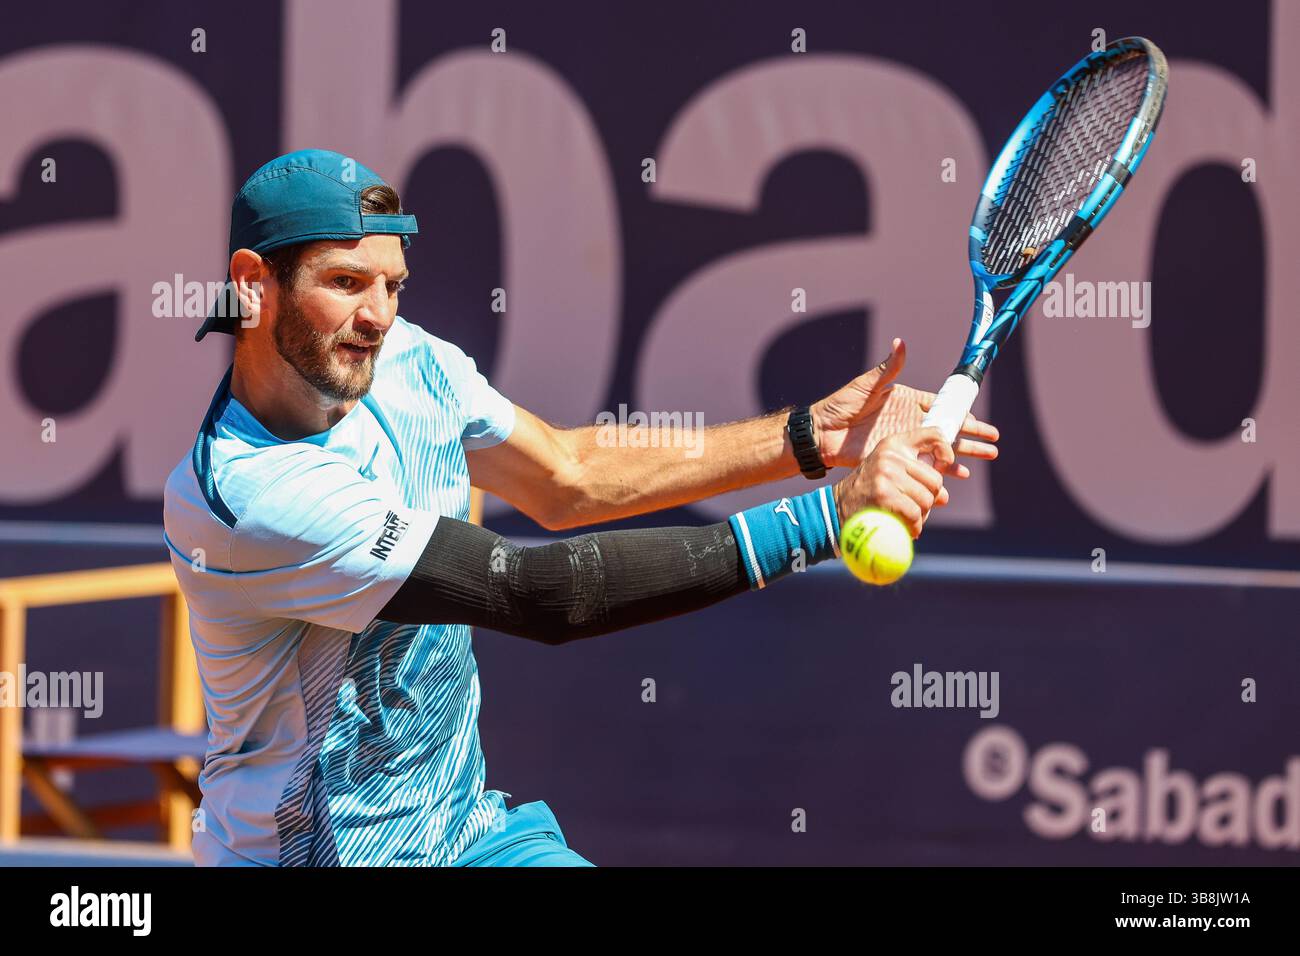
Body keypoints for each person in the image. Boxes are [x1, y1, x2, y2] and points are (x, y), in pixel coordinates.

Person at [163, 149, 999, 866]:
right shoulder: (247, 494)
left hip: (464, 835)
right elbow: (539, 593)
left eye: (393, 286)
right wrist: (828, 517)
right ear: (252, 283)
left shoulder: (412, 361)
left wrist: (808, 436)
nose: (378, 317)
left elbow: (565, 476)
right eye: (346, 284)